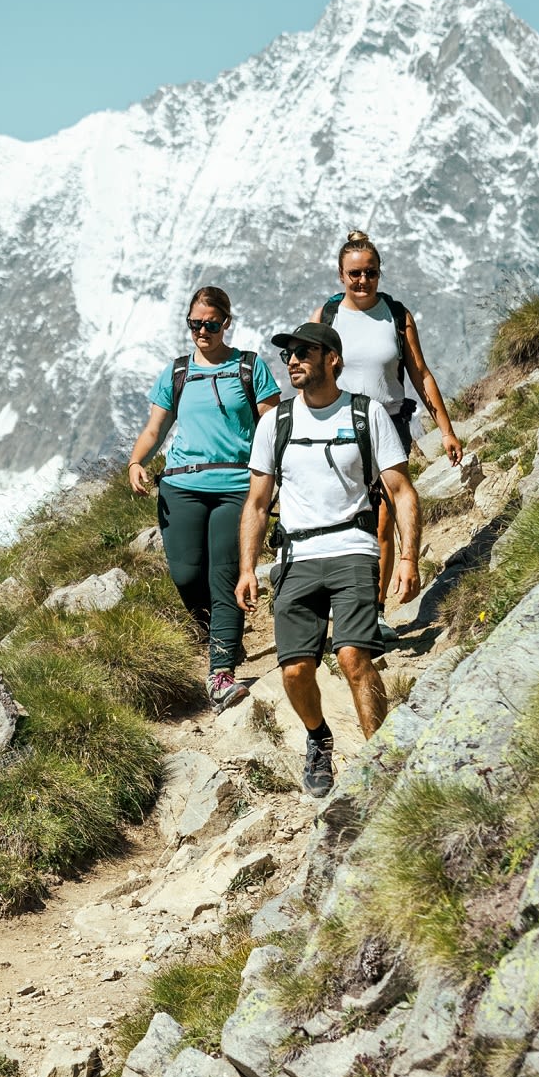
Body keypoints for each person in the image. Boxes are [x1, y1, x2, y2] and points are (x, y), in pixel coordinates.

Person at [233, 319, 420, 797]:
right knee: (295, 670)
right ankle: (319, 738)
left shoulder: (366, 413)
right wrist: (247, 569)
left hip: (353, 549)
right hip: (295, 557)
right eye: (289, 353)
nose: (292, 360)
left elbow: (400, 491)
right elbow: (256, 503)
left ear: (331, 359)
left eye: (304, 352)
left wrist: (407, 559)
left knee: (354, 654)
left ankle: (382, 762)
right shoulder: (275, 423)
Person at [127, 285, 276, 709]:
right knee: (186, 575)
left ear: (226, 323)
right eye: (195, 324)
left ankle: (221, 669)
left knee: (224, 576)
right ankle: (220, 637)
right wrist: (137, 462)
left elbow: (271, 425)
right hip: (180, 485)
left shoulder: (250, 368)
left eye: (210, 324)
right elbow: (155, 429)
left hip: (236, 488)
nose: (202, 332)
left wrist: (273, 475)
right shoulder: (176, 372)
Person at [316, 230, 461, 601]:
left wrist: (445, 430)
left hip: (389, 425)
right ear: (341, 275)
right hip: (338, 426)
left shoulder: (397, 316)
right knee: (344, 518)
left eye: (371, 273)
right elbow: (310, 373)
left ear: (379, 274)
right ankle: (347, 599)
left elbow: (420, 373)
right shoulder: (327, 316)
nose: (362, 280)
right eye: (355, 274)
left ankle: (375, 611)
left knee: (381, 521)